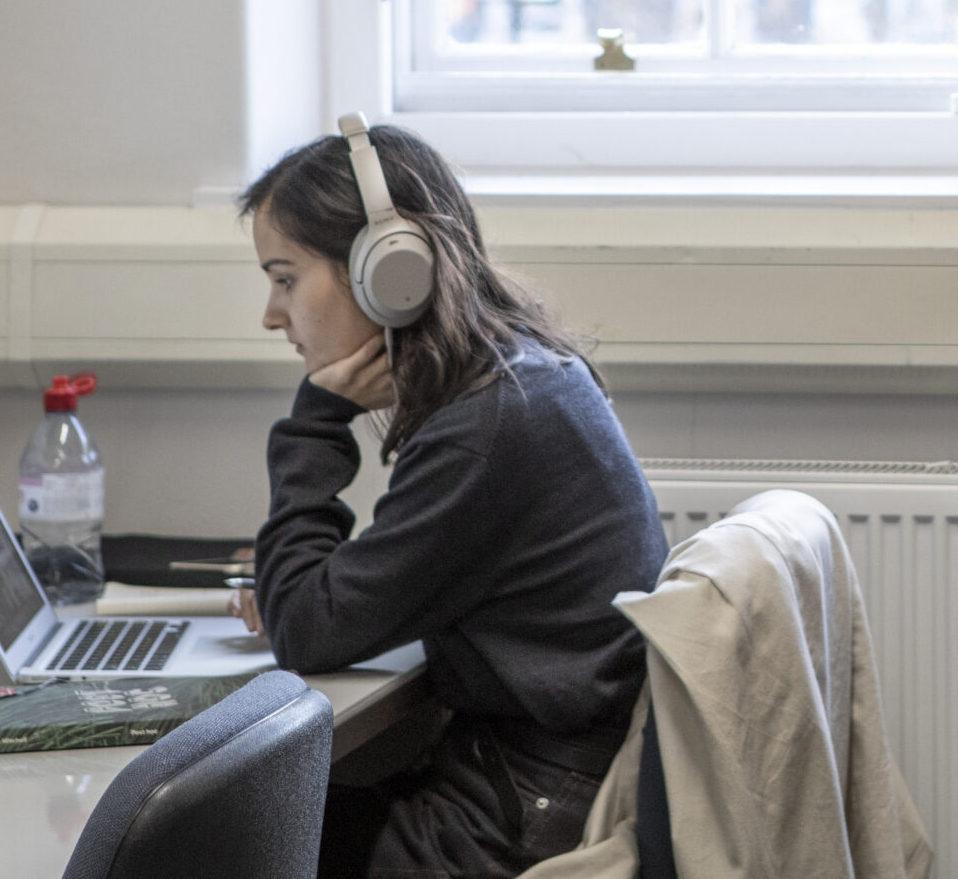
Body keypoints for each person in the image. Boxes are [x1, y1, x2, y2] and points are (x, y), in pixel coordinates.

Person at [235, 121, 668, 878]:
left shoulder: (487, 429)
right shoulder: (525, 377)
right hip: (540, 775)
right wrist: (317, 598)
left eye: (284, 278)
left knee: (226, 845)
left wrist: (316, 418)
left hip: (528, 804)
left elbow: (307, 628)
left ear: (386, 272)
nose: (273, 316)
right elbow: (346, 599)